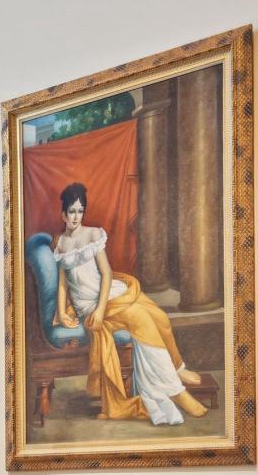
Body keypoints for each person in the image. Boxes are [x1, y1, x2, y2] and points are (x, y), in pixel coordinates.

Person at [51, 181, 207, 424]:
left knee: (160, 317)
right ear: (63, 213)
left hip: (108, 295)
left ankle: (178, 369)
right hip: (88, 306)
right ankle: (177, 392)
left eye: (80, 210)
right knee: (143, 320)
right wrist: (62, 312)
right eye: (71, 211)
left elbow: (107, 274)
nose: (76, 216)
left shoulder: (93, 235)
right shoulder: (59, 242)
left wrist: (103, 308)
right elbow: (63, 283)